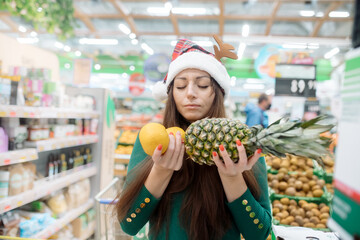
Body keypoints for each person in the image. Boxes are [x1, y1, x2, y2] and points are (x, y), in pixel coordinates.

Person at [116, 38, 272, 240]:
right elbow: (129, 224)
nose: (190, 93)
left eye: (203, 84)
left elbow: (259, 234)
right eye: (180, 86)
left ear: (217, 92)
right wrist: (161, 171)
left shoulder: (242, 145)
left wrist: (233, 178)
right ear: (170, 94)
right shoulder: (152, 140)